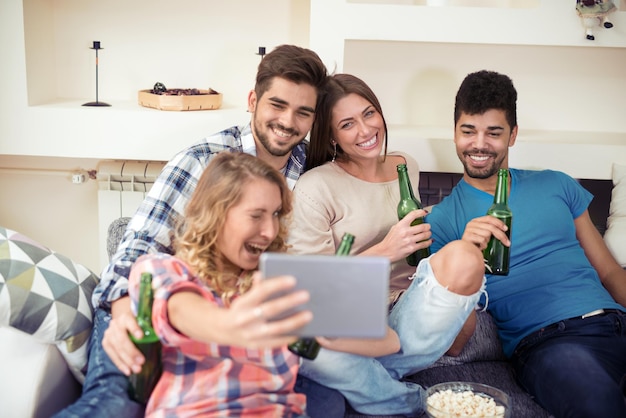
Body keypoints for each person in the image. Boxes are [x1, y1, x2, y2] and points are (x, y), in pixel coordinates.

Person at [53, 44, 340, 418]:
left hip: (233, 310)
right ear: (253, 100)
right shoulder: (204, 160)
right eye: (277, 105)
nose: (288, 122)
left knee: (325, 404)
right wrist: (126, 314)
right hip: (150, 304)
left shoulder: (310, 170)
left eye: (303, 112)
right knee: (115, 405)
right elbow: (139, 249)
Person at [425, 69, 626, 418]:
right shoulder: (442, 221)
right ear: (454, 133)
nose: (479, 144)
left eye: (494, 132)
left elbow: (608, 270)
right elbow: (456, 343)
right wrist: (467, 254)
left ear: (513, 135)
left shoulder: (557, 185)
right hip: (551, 343)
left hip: (615, 322)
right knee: (598, 405)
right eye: (468, 131)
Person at [287, 73, 487, 416]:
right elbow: (314, 293)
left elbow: (417, 244)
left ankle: (361, 378)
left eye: (369, 114)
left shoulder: (405, 164)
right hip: (346, 324)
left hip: (410, 313)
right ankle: (405, 400)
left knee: (466, 257)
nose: (365, 131)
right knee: (302, 345)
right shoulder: (315, 187)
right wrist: (383, 251)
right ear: (331, 135)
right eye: (347, 124)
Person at [128, 152, 313, 416]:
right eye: (256, 215)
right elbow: (182, 310)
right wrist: (234, 325)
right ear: (216, 214)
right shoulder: (159, 270)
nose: (270, 231)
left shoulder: (278, 284)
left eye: (274, 214)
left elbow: (385, 342)